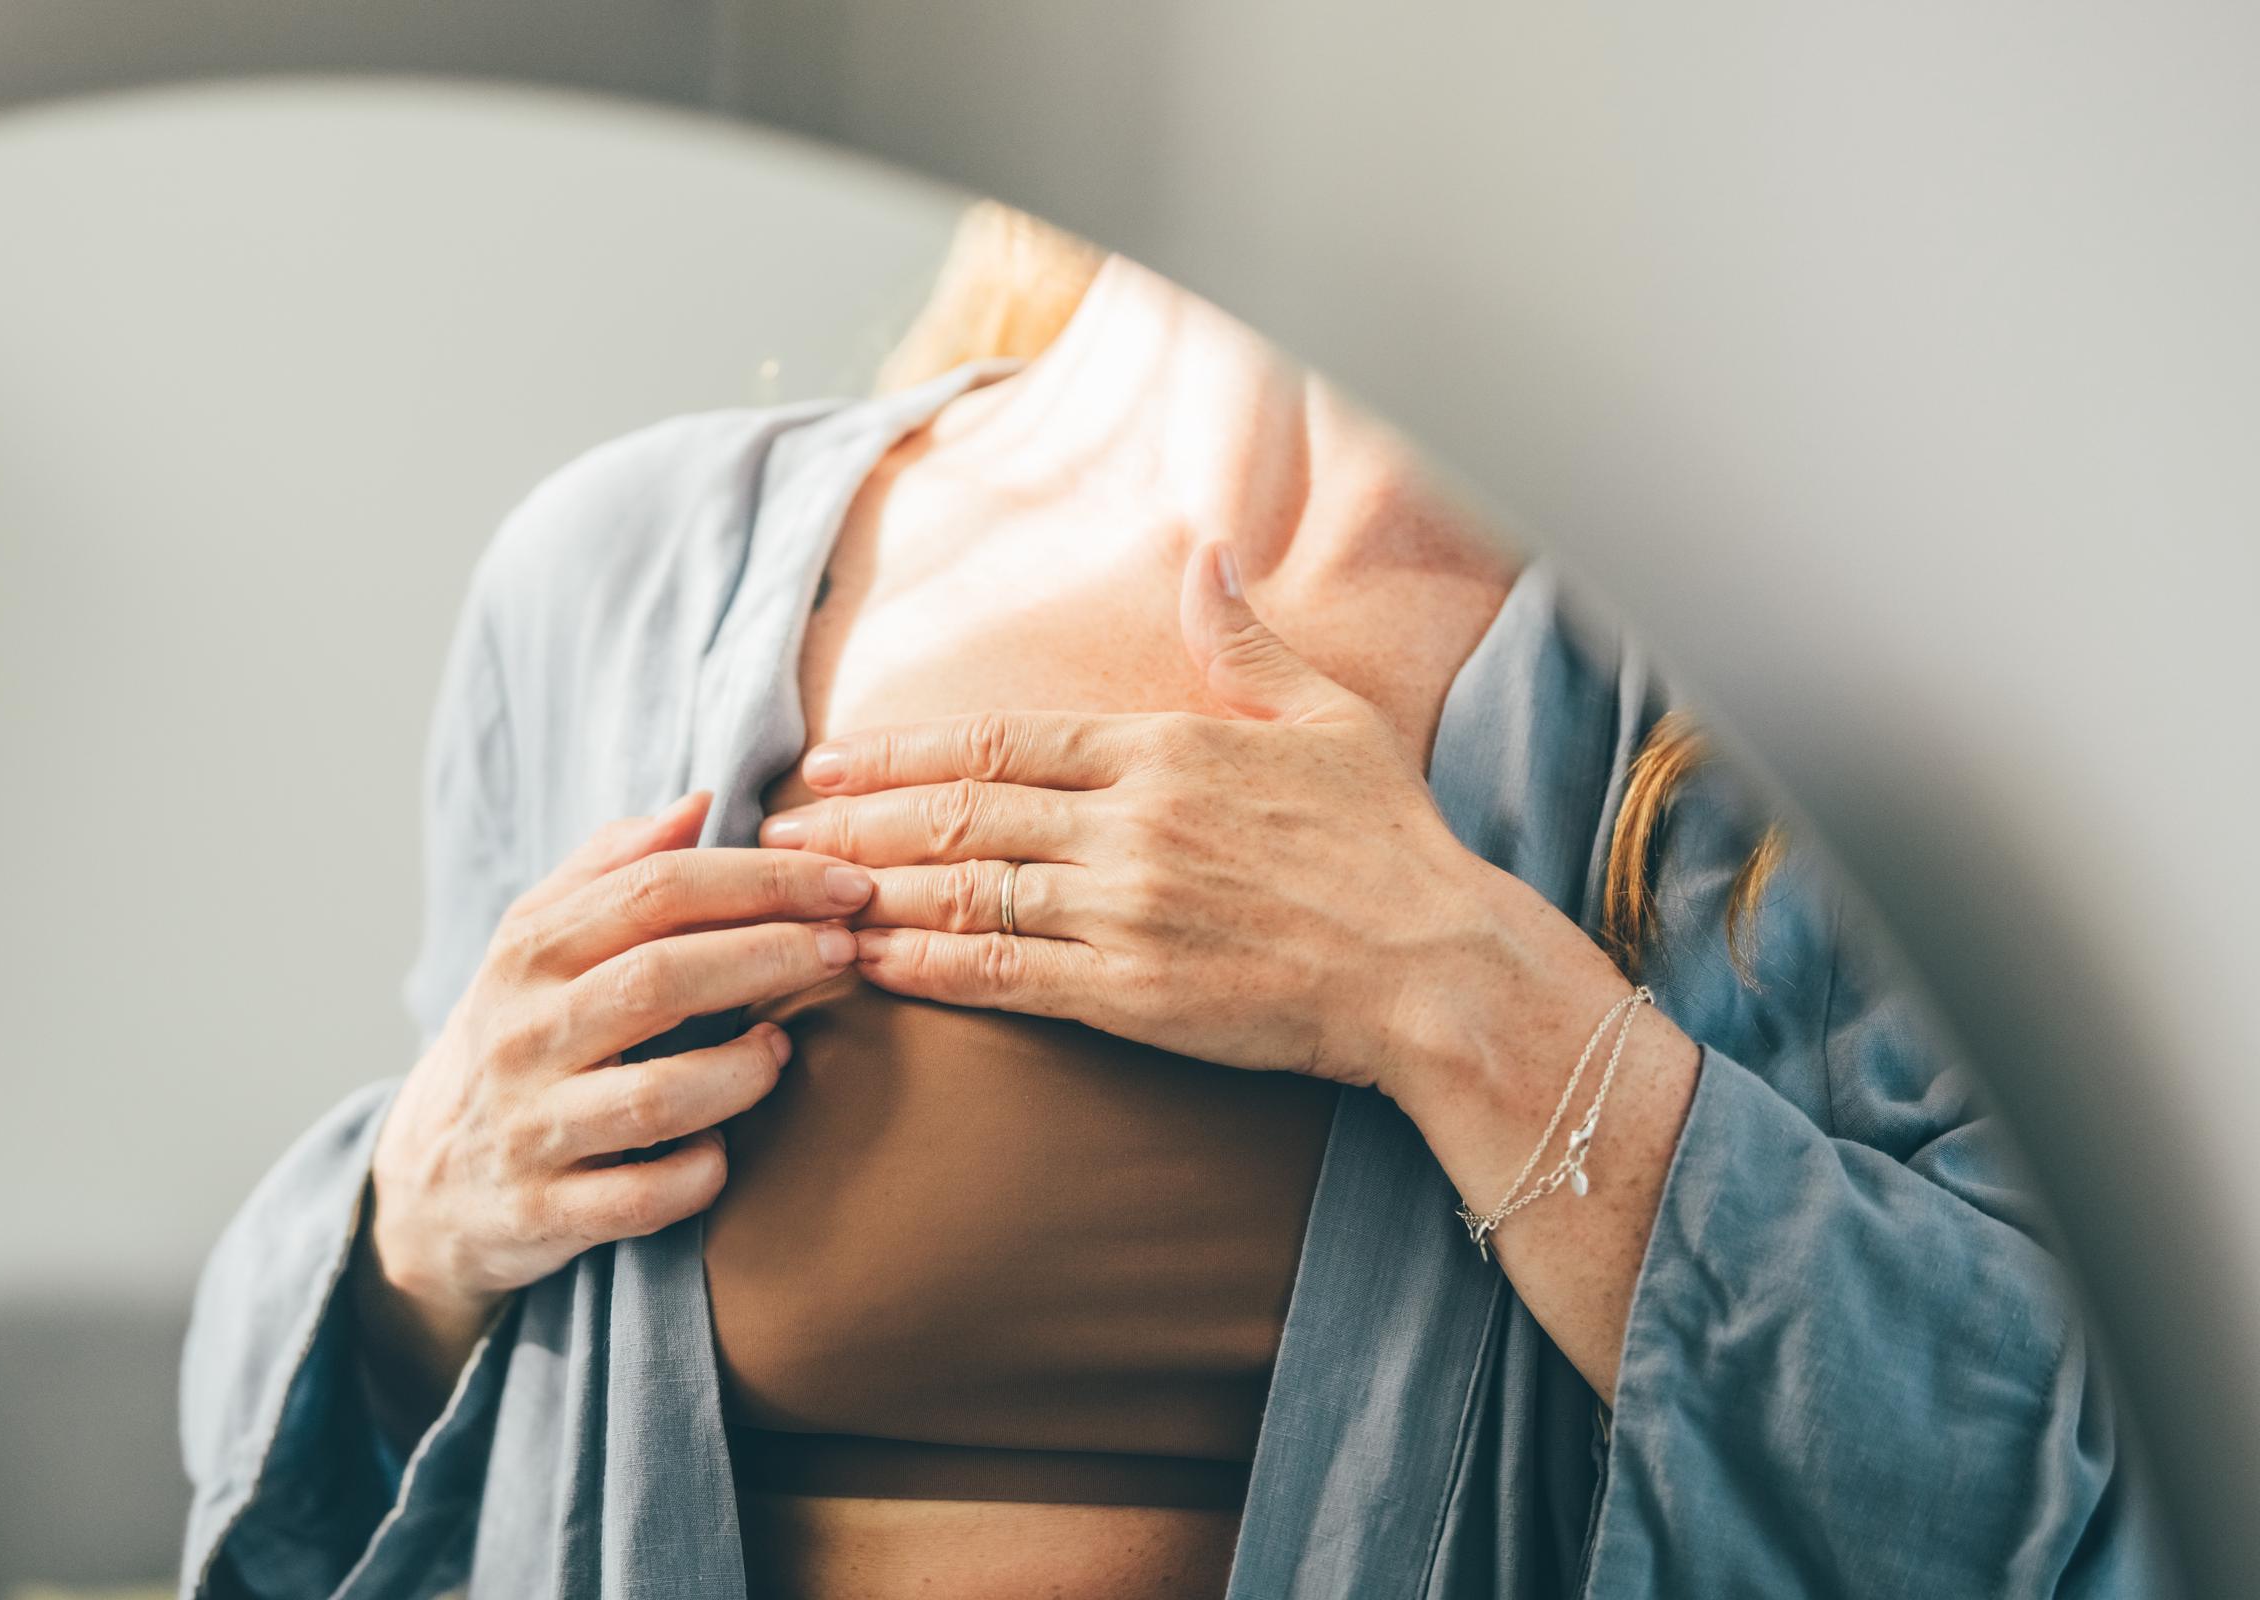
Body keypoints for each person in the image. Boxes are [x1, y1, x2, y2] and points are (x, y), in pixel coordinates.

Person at [178, 204, 2166, 1599]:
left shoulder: (1804, 697)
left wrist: (1455, 992)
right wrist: (413, 1227)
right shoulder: (622, 576)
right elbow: (367, 1467)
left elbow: (2049, 1495)